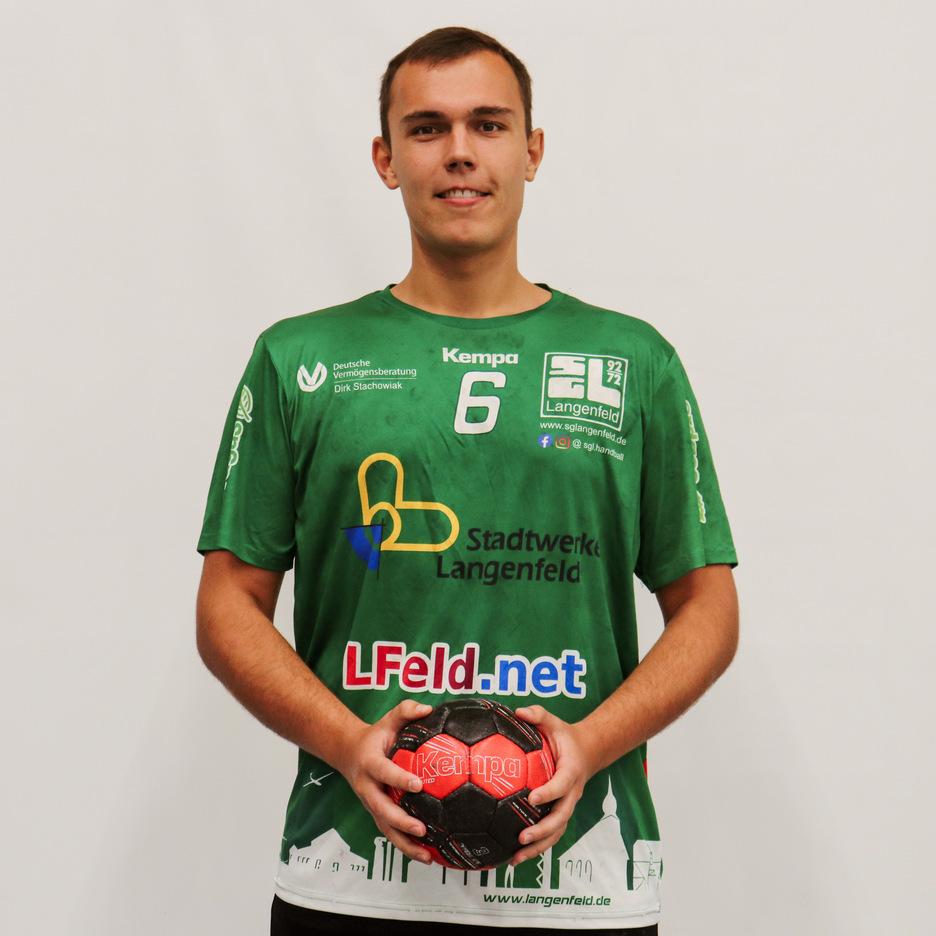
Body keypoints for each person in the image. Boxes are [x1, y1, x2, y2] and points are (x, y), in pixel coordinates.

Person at [195, 25, 739, 935]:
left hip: (581, 887)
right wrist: (349, 744)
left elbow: (709, 607)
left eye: (488, 125)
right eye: (426, 127)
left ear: (532, 151)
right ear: (385, 158)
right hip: (349, 879)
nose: (459, 152)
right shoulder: (299, 358)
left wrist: (588, 744)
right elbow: (226, 605)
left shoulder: (632, 361)